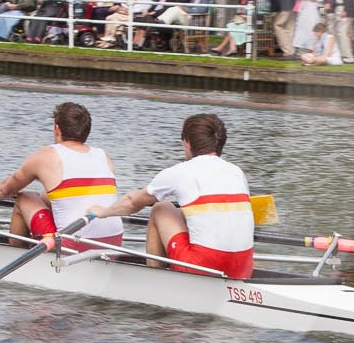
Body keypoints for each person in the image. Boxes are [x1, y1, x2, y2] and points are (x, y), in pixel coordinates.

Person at [88, 113, 255, 278]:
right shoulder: (237, 172)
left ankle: (156, 279)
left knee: (162, 207)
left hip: (203, 266)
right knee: (185, 213)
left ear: (187, 143)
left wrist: (103, 212)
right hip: (244, 267)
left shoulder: (181, 171)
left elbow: (132, 202)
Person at [0, 101, 124, 249]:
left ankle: (14, 256)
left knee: (25, 198)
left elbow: (6, 191)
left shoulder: (46, 155)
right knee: (45, 196)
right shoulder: (103, 156)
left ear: (57, 129)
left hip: (73, 245)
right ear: (86, 131)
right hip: (114, 242)